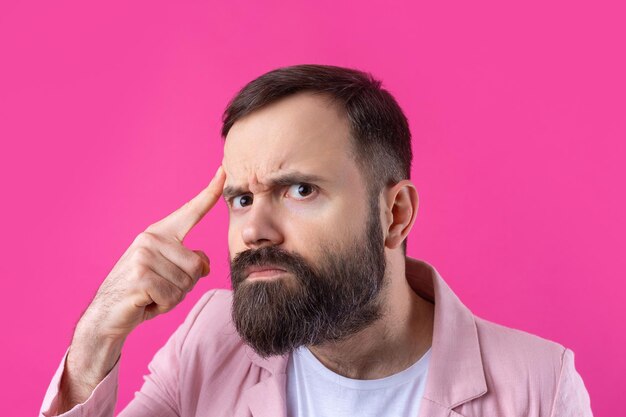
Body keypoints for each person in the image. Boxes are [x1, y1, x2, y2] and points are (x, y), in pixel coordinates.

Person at [39, 64, 593, 417]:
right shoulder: (210, 340)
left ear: (395, 214)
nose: (254, 231)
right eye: (241, 199)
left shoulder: (539, 389)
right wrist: (94, 342)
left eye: (300, 189)